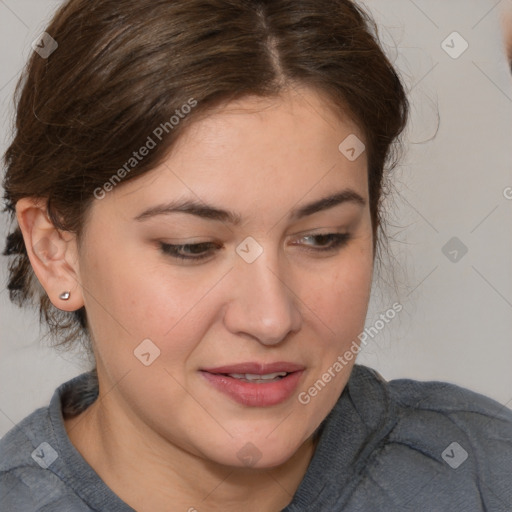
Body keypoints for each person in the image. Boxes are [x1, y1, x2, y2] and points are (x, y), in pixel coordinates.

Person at [1, 0, 511, 511]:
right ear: (55, 251)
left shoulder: (484, 475)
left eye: (322, 237)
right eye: (192, 247)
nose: (270, 319)